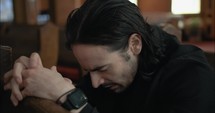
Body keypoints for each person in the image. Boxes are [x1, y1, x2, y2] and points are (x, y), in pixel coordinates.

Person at [3, 0, 215, 113]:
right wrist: (31, 74)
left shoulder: (192, 76)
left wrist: (68, 96)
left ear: (134, 44)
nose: (94, 82)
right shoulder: (106, 78)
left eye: (101, 69)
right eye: (88, 70)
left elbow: (76, 101)